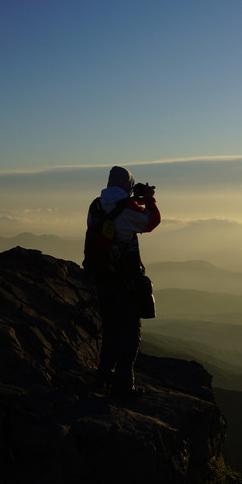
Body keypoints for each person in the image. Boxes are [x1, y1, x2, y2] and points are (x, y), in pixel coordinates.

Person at [86, 165, 160, 396]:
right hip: (126, 280)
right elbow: (151, 222)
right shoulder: (128, 207)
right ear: (128, 185)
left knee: (110, 328)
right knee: (129, 330)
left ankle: (103, 374)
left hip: (101, 277)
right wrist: (148, 200)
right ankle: (123, 385)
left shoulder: (95, 206)